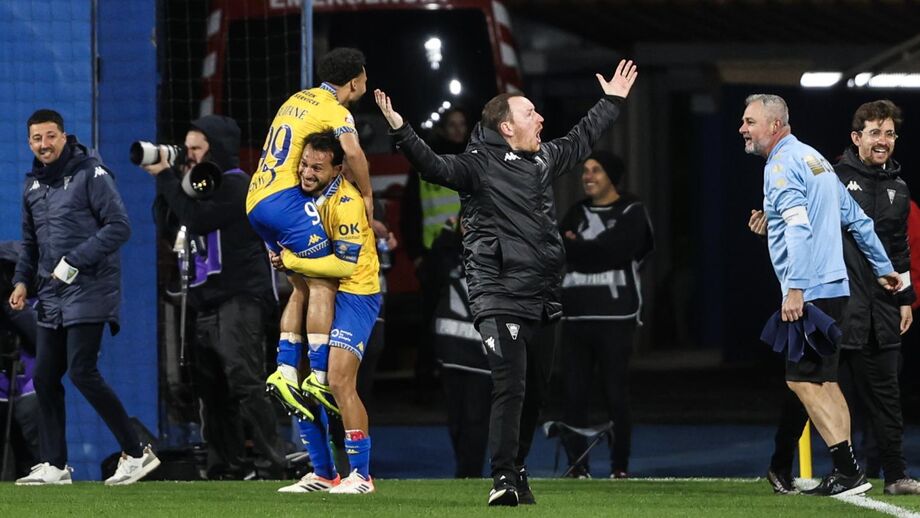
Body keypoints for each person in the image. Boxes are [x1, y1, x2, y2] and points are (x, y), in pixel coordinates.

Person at [375, 59, 639, 506]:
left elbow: (580, 140)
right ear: (506, 126)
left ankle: (515, 469)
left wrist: (611, 100)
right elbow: (434, 166)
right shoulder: (477, 164)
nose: (540, 118)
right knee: (510, 384)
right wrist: (402, 131)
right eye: (530, 113)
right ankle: (501, 477)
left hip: (542, 294)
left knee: (535, 392)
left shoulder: (542, 159)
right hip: (498, 292)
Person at [739, 94, 900, 496]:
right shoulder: (817, 161)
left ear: (775, 126)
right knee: (823, 383)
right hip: (837, 289)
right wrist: (884, 269)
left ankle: (847, 472)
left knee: (804, 382)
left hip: (810, 290)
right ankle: (846, 470)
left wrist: (795, 288)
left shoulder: (780, 165)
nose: (743, 129)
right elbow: (859, 221)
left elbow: (797, 227)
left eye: (749, 121)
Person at [10, 109, 159, 485]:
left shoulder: (91, 173)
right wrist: (21, 282)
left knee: (81, 371)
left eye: (50, 137)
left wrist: (74, 262)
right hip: (50, 294)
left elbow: (120, 226)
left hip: (90, 288)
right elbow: (29, 244)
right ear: (29, 142)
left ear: (64, 136)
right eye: (36, 139)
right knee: (44, 377)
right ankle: (56, 465)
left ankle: (137, 453)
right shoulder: (32, 186)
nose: (43, 145)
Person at [144, 115, 286, 479]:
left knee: (245, 382)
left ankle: (274, 462)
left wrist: (166, 178)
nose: (188, 155)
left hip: (239, 297)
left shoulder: (238, 186)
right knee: (211, 392)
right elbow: (170, 226)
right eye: (186, 148)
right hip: (205, 301)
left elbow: (196, 219)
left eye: (196, 149)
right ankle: (228, 465)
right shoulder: (195, 188)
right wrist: (168, 184)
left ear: (217, 150)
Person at [246, 47, 372, 423]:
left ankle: (286, 370)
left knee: (300, 284)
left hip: (256, 199)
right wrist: (366, 193)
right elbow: (352, 153)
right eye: (364, 77)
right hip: (284, 203)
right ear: (354, 81)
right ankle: (318, 376)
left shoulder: (295, 99)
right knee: (323, 283)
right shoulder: (336, 110)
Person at [275, 132, 381, 494]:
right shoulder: (299, 193)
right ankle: (323, 472)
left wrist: (291, 259)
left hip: (355, 293)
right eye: (304, 164)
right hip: (317, 292)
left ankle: (362, 476)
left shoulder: (347, 202)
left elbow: (345, 266)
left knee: (336, 381)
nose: (306, 172)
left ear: (338, 169)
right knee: (302, 384)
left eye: (317, 168)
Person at [831, 100, 919, 495]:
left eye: (889, 134)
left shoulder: (899, 188)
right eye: (875, 133)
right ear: (857, 137)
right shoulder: (832, 180)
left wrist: (905, 299)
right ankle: (785, 466)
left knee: (888, 396)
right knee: (818, 391)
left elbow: (899, 249)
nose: (883, 141)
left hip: (882, 309)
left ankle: (896, 475)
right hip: (838, 305)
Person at [558, 151, 653, 479]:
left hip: (615, 318)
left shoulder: (631, 210)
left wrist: (579, 248)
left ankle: (619, 466)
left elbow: (619, 251)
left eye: (595, 170)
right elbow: (559, 249)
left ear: (611, 176)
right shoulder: (576, 211)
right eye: (585, 170)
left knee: (615, 392)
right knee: (573, 394)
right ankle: (577, 465)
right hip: (575, 318)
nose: (588, 176)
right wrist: (590, 251)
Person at [400, 107, 469, 398]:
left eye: (461, 124)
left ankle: (460, 378)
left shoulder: (472, 162)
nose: (457, 130)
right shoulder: (425, 165)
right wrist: (417, 255)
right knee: (432, 321)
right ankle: (426, 381)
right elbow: (410, 214)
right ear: (442, 128)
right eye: (452, 125)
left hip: (467, 255)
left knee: (466, 321)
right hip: (435, 257)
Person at [425, 217, 492, 478]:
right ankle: (465, 471)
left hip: (483, 352)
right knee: (456, 422)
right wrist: (447, 235)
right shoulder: (449, 252)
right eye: (466, 221)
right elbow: (431, 275)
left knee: (476, 420)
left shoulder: (497, 252)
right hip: (451, 348)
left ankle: (469, 475)